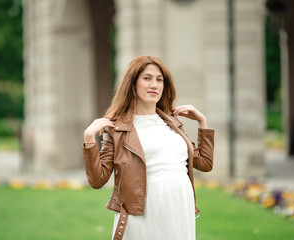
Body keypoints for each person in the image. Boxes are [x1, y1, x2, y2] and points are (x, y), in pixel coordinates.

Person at [83, 55, 214, 240]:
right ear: (133, 84)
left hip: (180, 207)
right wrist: (89, 139)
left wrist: (203, 122)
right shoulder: (117, 129)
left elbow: (205, 163)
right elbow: (98, 180)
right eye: (147, 78)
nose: (154, 85)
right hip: (143, 211)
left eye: (159, 80)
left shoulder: (173, 123)